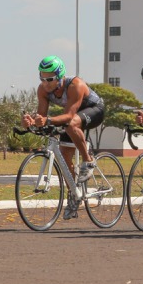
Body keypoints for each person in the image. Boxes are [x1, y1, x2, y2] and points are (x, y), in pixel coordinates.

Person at [21, 55, 105, 220]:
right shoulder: (43, 90)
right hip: (71, 119)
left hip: (95, 110)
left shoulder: (75, 85)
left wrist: (47, 120)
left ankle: (88, 161)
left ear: (60, 76)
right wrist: (31, 122)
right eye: (42, 78)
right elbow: (42, 117)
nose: (45, 83)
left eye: (50, 79)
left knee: (71, 123)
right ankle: (74, 194)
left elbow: (68, 116)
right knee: (65, 157)